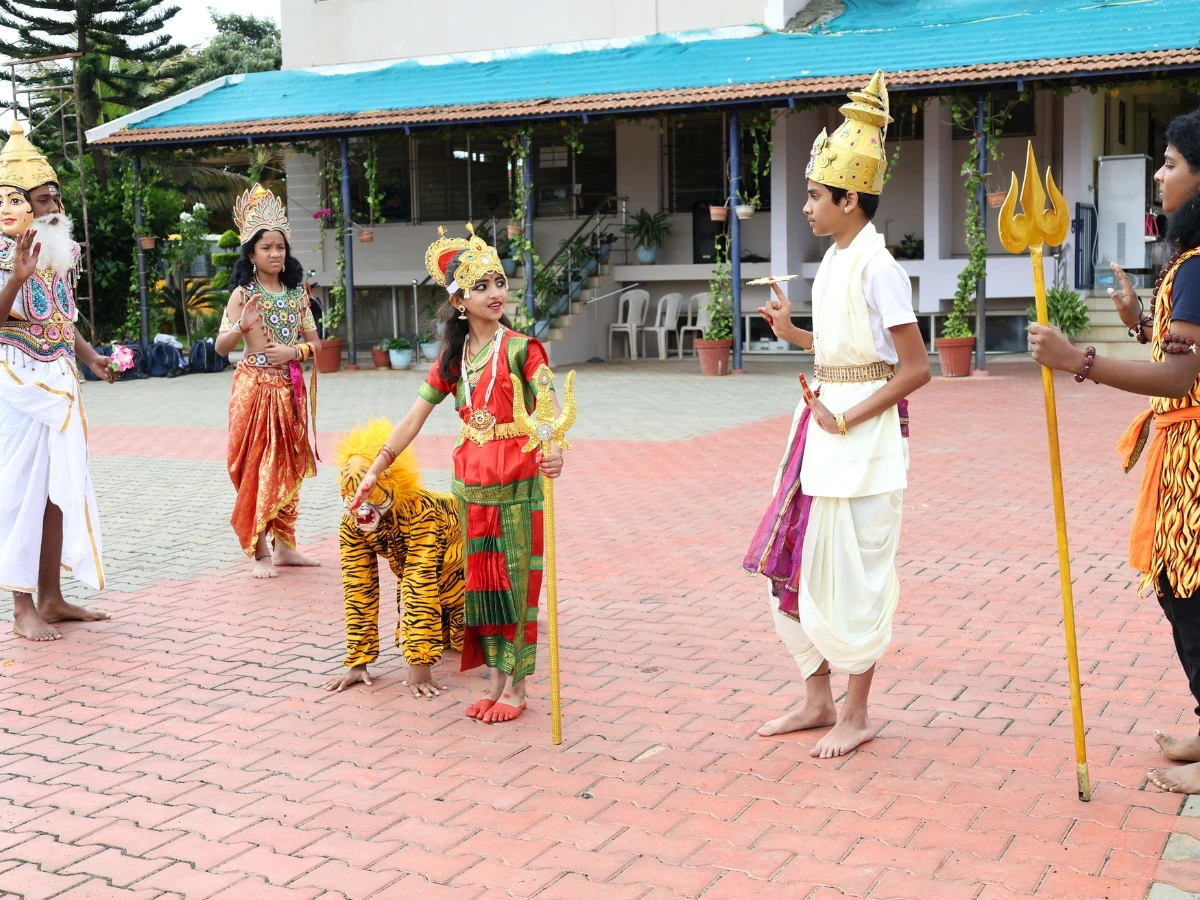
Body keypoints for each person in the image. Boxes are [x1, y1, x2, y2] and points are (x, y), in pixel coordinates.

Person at [744, 71, 932, 758]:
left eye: (816, 197)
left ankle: (856, 713)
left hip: (861, 437)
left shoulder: (879, 267)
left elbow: (915, 368)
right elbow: (847, 346)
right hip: (817, 430)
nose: (806, 208)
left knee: (854, 574)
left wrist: (849, 419)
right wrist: (792, 334)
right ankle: (817, 698)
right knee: (793, 559)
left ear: (851, 199)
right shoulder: (834, 259)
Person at [1029, 107, 1200, 794]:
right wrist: (1137, 322)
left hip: (1193, 456)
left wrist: (1081, 360)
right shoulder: (1186, 264)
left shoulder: (1196, 266)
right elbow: (1178, 354)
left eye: (1171, 163)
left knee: (1188, 593)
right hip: (1180, 449)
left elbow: (1182, 375)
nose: (1159, 175)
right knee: (1181, 590)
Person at [350, 224, 563, 723]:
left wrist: (553, 449)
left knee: (516, 583)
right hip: (471, 483)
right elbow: (413, 418)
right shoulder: (452, 358)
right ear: (460, 301)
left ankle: (519, 689)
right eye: (483, 286)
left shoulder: (523, 349)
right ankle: (494, 683)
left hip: (517, 481)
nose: (497, 294)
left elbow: (548, 405)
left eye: (500, 282)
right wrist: (376, 468)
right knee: (483, 585)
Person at [0, 121, 115, 641]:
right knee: (19, 493)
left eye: (55, 198)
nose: (53, 208)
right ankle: (20, 605)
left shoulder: (60, 251)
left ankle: (51, 598)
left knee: (53, 493)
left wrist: (91, 357)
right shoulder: (6, 255)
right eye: (43, 200)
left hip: (61, 377)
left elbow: (62, 320)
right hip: (15, 383)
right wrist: (17, 279)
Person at [214, 185, 321, 578]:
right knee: (256, 465)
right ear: (251, 254)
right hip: (254, 388)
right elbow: (221, 348)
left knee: (288, 463)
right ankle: (259, 551)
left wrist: (293, 353)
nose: (275, 254)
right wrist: (240, 327)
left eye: (280, 247)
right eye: (266, 248)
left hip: (288, 387)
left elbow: (315, 344)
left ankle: (286, 546)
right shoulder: (243, 295)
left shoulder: (298, 295)